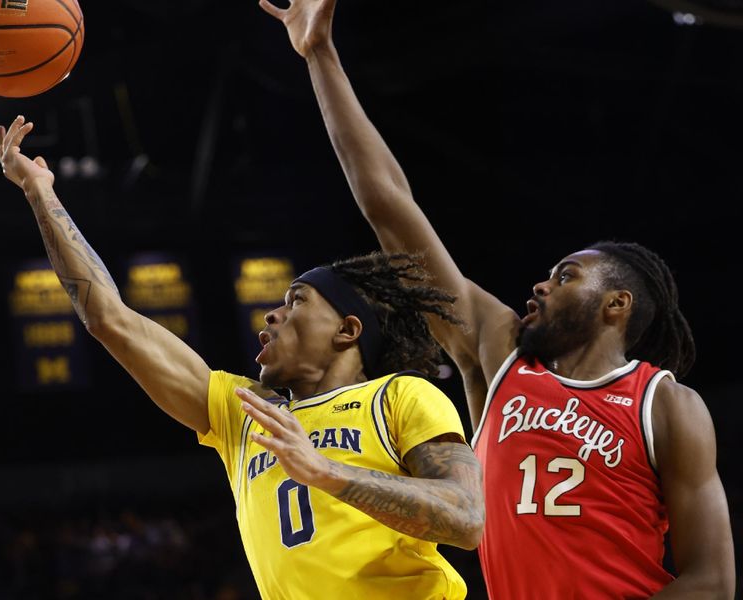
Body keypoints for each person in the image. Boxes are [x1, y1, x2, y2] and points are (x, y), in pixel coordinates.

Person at [260, 0, 737, 598]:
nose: (541, 284)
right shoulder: (500, 353)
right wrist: (320, 56)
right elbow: (388, 203)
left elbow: (712, 581)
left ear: (618, 305)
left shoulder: (665, 405)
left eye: (566, 277)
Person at [0, 116, 484, 599]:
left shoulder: (398, 396)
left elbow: (465, 517)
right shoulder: (245, 411)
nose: (270, 317)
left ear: (347, 329)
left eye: (296, 301)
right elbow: (108, 318)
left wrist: (328, 472)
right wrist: (40, 192)